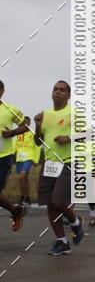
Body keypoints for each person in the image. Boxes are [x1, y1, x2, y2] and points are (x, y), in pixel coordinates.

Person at [34, 80, 85, 256]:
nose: (57, 92)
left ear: (69, 95)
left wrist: (68, 138)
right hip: (49, 163)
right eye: (55, 89)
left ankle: (76, 222)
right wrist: (38, 125)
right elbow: (37, 141)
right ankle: (62, 242)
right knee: (49, 204)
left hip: (68, 161)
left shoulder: (73, 113)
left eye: (62, 90)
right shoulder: (44, 114)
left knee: (58, 201)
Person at [0, 81, 29, 230]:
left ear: (2, 91)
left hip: (3, 157)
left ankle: (16, 211)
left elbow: (26, 124)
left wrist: (12, 133)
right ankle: (16, 211)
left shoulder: (10, 109)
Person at [14, 116, 42, 206]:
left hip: (29, 157)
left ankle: (25, 197)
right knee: (23, 179)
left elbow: (37, 147)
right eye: (23, 123)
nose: (25, 124)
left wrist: (36, 160)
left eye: (26, 122)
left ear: (29, 124)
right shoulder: (19, 134)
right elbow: (14, 146)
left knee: (22, 176)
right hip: (19, 158)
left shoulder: (33, 134)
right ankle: (25, 197)